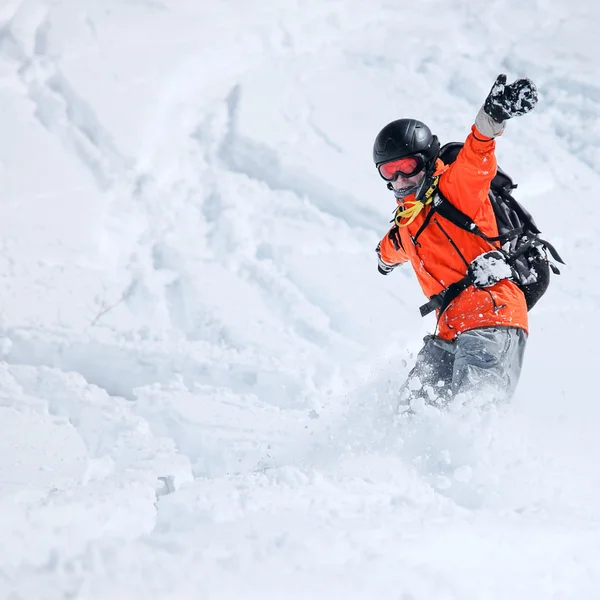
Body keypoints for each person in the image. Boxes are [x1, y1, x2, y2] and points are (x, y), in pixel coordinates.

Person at [374, 74, 539, 409]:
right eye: (390, 171)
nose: (401, 179)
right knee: (409, 415)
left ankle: (474, 459)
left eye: (408, 166)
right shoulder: (407, 223)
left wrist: (491, 117)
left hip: (493, 319)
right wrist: (382, 259)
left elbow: (477, 153)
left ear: (427, 159)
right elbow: (391, 248)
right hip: (449, 332)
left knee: (468, 415)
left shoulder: (456, 188)